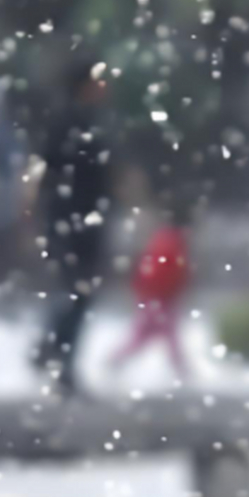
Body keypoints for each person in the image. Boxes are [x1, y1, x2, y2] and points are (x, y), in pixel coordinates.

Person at [32, 59, 114, 396]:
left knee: (75, 290)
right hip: (71, 219)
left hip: (78, 219)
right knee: (76, 290)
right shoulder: (69, 123)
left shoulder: (82, 122)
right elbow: (48, 174)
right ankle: (57, 358)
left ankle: (52, 352)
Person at [109, 203, 193, 383]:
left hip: (156, 297)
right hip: (159, 297)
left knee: (147, 335)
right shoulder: (171, 242)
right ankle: (181, 370)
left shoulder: (167, 240)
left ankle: (116, 361)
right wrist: (159, 293)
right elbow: (162, 272)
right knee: (162, 336)